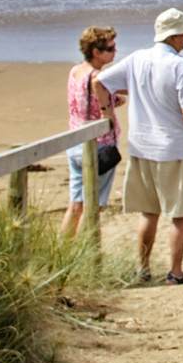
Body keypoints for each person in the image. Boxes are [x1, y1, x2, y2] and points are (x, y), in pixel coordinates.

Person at [97, 8, 183, 285]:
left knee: (150, 212)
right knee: (179, 213)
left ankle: (143, 269)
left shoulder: (137, 59)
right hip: (173, 148)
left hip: (142, 147)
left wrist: (107, 115)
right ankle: (175, 272)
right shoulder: (180, 65)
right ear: (172, 36)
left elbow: (101, 83)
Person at [60, 25, 122, 238]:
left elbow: (86, 101)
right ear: (97, 52)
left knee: (76, 203)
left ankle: (63, 250)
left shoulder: (76, 71)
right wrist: (110, 109)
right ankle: (85, 253)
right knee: (92, 205)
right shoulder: (97, 78)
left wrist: (112, 100)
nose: (115, 51)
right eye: (111, 48)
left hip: (75, 139)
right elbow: (106, 101)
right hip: (98, 145)